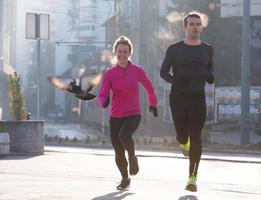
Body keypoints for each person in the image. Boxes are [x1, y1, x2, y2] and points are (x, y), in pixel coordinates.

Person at [160, 13, 214, 192]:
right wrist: (176, 81)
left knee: (196, 137)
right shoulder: (174, 49)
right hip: (178, 97)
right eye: (191, 24)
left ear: (202, 27)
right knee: (183, 136)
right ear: (184, 28)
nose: (195, 27)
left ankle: (192, 178)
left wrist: (210, 75)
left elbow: (209, 67)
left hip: (198, 97)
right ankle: (183, 143)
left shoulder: (207, 49)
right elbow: (163, 72)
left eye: (198, 24)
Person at [98, 35, 158, 190]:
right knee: (118, 150)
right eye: (119, 51)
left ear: (130, 53)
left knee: (124, 135)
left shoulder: (137, 71)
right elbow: (103, 93)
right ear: (115, 53)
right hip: (115, 115)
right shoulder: (110, 74)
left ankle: (132, 157)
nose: (122, 54)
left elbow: (149, 87)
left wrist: (153, 103)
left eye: (125, 52)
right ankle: (125, 179)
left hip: (133, 113)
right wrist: (103, 101)